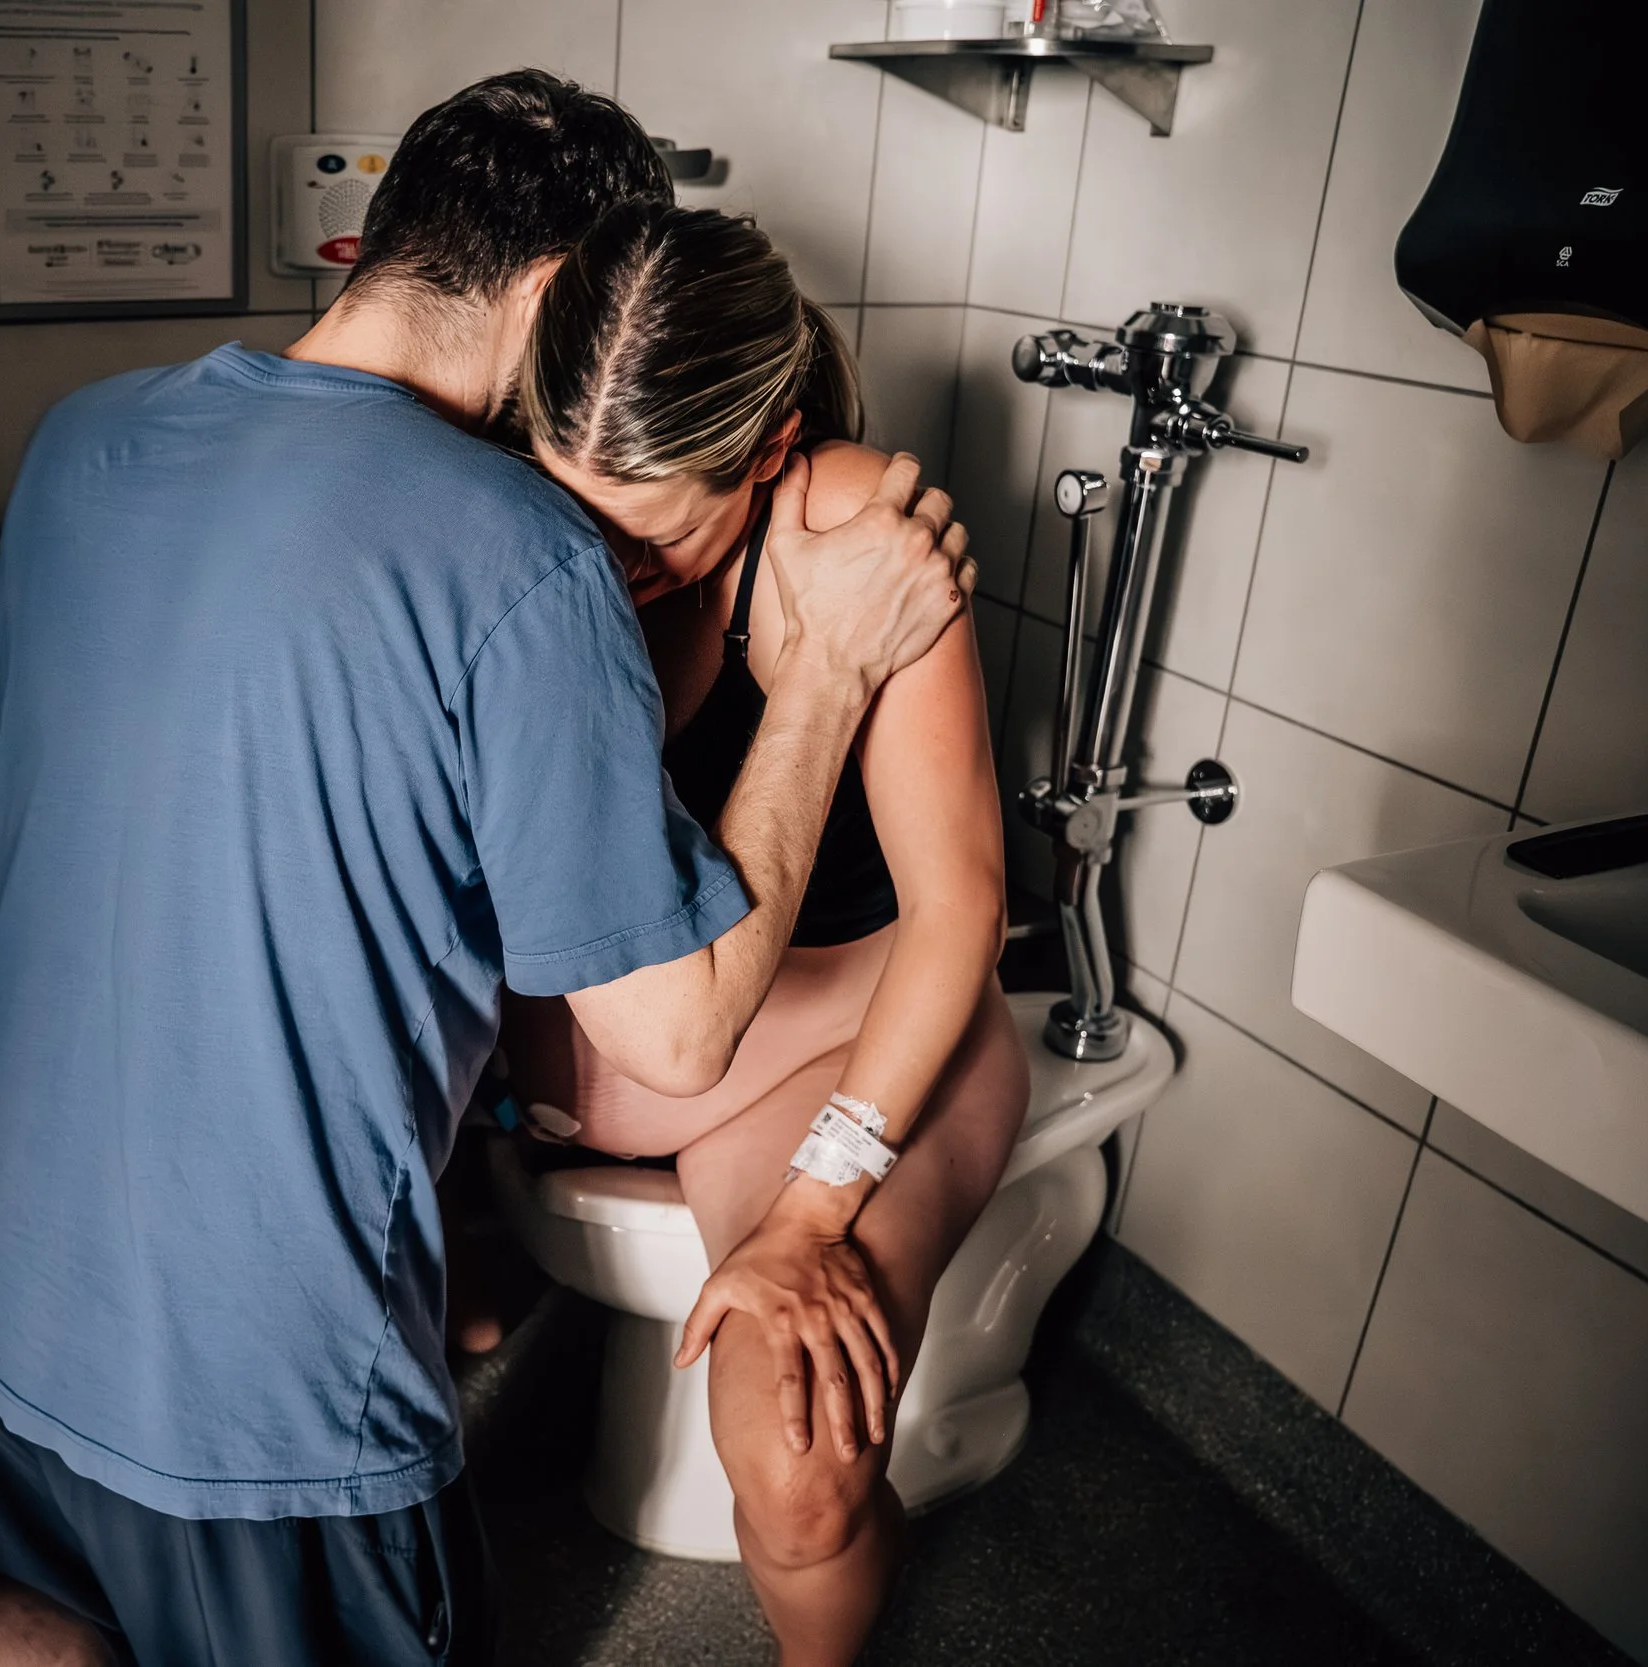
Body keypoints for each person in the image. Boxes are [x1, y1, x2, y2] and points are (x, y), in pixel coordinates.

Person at [0, 74, 973, 1667]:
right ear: (564, 300)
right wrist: (820, 676)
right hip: (252, 1418)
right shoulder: (514, 551)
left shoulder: (80, 444)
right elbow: (674, 1032)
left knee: (35, 1635)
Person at [500, 202, 1030, 1665]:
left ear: (773, 445)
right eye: (572, 508)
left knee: (801, 1474)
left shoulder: (849, 528)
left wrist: (811, 1211)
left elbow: (960, 909)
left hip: (833, 1053)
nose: (601, 563)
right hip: (610, 1073)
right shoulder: (499, 496)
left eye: (655, 532)